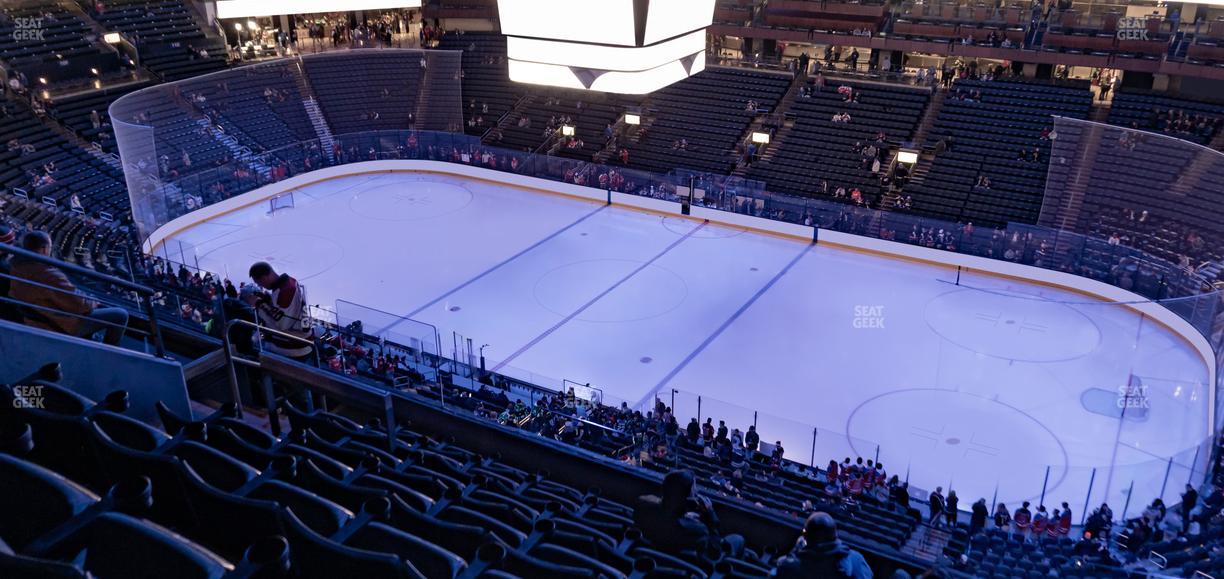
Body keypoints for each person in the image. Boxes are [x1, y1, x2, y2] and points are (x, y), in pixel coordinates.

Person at [9, 231, 128, 345]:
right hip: (59, 323)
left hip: (37, 317)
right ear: (44, 249)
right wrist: (94, 303)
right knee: (120, 314)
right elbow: (81, 305)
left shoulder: (16, 266)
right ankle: (109, 352)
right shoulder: (48, 274)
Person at [634, 470, 743, 556]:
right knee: (737, 539)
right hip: (682, 566)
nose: (696, 493)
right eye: (694, 492)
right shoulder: (697, 529)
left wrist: (683, 513)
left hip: (651, 553)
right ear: (688, 500)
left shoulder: (642, 502)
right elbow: (715, 552)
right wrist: (711, 519)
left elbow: (666, 508)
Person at [773, 512, 873, 578]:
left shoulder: (788, 565)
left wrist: (794, 551)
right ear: (835, 534)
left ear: (805, 535)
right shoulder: (856, 559)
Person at [248, 261, 313, 358]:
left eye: (259, 282)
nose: (260, 286)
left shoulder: (286, 291)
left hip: (294, 349)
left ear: (265, 277)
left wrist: (259, 304)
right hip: (300, 343)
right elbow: (286, 309)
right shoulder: (289, 282)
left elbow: (283, 323)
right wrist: (267, 300)